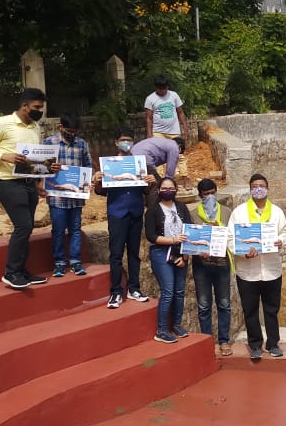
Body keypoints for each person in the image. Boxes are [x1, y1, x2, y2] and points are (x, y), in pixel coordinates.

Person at [0, 87, 51, 289]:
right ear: (24, 106)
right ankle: (11, 272)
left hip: (28, 183)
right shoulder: (2, 124)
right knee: (23, 226)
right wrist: (3, 156)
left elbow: (35, 158)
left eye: (41, 107)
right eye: (36, 107)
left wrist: (40, 181)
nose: (39, 111)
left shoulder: (35, 127)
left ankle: (22, 271)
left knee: (28, 227)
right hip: (7, 182)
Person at [93, 127, 156, 309]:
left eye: (129, 140)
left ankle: (134, 288)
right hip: (117, 213)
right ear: (116, 142)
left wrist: (149, 182)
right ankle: (115, 291)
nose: (126, 143)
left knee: (135, 254)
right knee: (116, 254)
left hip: (135, 212)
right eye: (123, 139)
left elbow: (145, 190)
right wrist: (97, 180)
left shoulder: (139, 164)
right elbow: (100, 191)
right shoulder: (108, 164)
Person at [227, 173, 286, 359]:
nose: (258, 189)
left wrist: (280, 241)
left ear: (267, 188)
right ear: (250, 189)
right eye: (255, 186)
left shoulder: (277, 212)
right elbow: (230, 238)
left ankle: (273, 343)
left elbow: (285, 232)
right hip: (248, 271)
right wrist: (242, 251)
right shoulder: (239, 212)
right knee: (250, 309)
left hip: (271, 270)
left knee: (272, 309)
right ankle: (255, 344)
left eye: (261, 185)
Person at [44, 114, 92, 277]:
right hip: (56, 196)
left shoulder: (82, 144)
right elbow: (41, 168)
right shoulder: (49, 143)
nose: (72, 134)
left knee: (75, 229)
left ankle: (75, 261)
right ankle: (59, 262)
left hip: (76, 196)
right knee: (58, 230)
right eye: (69, 130)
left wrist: (88, 182)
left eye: (75, 131)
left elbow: (87, 166)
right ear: (60, 127)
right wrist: (50, 168)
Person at [145, 177, 192, 343]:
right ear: (158, 190)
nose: (168, 190)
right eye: (164, 188)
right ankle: (162, 329)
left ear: (176, 190)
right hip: (161, 253)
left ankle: (177, 325)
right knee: (168, 291)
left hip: (181, 253)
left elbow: (190, 231)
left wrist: (185, 256)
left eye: (171, 188)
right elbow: (151, 236)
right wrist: (173, 240)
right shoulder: (152, 210)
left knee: (179, 292)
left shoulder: (182, 207)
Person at [190, 178, 233, 356]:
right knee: (204, 304)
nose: (210, 197)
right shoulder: (193, 214)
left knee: (224, 303)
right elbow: (191, 239)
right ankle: (207, 340)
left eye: (212, 193)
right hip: (202, 265)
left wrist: (219, 228)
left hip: (222, 263)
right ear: (200, 196)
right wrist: (198, 250)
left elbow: (232, 236)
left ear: (217, 192)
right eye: (206, 194)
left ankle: (224, 340)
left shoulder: (226, 212)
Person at [144, 75, 188, 141]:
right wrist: (149, 134)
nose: (163, 91)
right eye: (160, 89)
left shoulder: (174, 95)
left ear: (167, 87)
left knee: (175, 150)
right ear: (156, 87)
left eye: (164, 88)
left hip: (174, 132)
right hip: (158, 133)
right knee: (159, 151)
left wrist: (185, 128)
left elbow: (180, 113)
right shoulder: (150, 99)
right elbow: (149, 118)